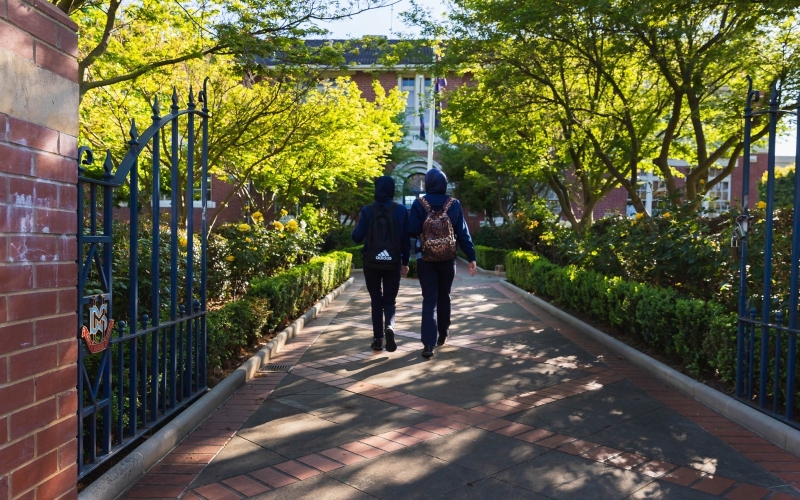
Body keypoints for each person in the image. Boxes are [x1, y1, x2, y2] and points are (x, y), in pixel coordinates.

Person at [409, 168, 477, 358]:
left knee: (429, 299)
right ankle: (443, 334)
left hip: (426, 259)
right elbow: (463, 233)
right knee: (444, 295)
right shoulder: (454, 204)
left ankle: (428, 345)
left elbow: (412, 229)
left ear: (428, 183)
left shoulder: (419, 204)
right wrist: (471, 257)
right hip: (448, 259)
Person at [352, 176, 410, 352]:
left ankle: (377, 339)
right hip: (393, 262)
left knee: (376, 299)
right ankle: (390, 327)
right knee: (390, 300)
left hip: (371, 262)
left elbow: (356, 237)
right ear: (392, 189)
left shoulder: (367, 210)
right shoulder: (400, 211)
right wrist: (405, 262)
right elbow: (406, 240)